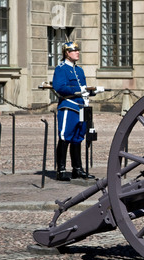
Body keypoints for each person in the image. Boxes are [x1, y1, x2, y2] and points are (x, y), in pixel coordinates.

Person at [52, 41, 101, 181]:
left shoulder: (79, 70)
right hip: (69, 105)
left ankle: (77, 169)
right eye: (74, 50)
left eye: (78, 50)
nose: (77, 52)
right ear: (67, 53)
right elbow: (60, 87)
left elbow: (84, 89)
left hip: (81, 106)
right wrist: (79, 90)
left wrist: (93, 91)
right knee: (65, 136)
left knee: (77, 138)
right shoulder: (61, 69)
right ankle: (61, 170)